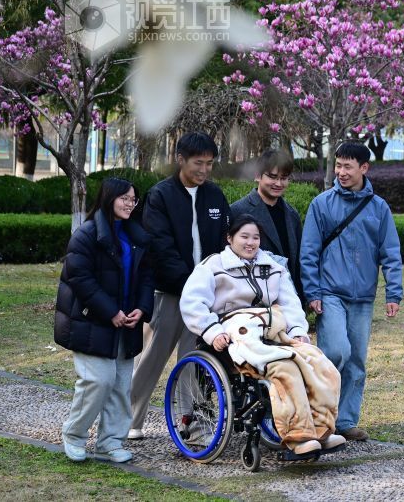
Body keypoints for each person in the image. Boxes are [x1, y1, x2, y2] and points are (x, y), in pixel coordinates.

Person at [180, 215, 345, 456]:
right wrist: (212, 332)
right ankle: (299, 435)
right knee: (284, 368)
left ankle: (321, 429)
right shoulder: (212, 266)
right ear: (230, 238)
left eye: (255, 237)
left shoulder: (273, 266)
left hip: (273, 330)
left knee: (319, 363)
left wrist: (298, 331)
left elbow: (289, 302)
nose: (250, 242)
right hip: (236, 334)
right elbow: (192, 303)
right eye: (244, 237)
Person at [128, 131, 230, 440]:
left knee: (194, 362)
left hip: (204, 299)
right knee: (151, 359)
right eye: (198, 162)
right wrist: (190, 286)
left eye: (210, 164)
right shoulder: (160, 196)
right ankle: (129, 419)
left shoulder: (215, 196)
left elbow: (224, 244)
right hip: (169, 294)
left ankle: (192, 424)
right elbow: (160, 247)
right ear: (180, 159)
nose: (204, 170)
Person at [300, 141, 403, 442]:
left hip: (363, 297)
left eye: (347, 166)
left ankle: (345, 421)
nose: (341, 172)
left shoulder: (379, 208)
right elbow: (309, 252)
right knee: (335, 352)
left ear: (364, 168)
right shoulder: (321, 204)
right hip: (329, 292)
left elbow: (391, 253)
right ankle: (320, 417)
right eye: (338, 165)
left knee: (356, 360)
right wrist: (313, 291)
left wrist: (393, 293)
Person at [55, 178, 155, 463]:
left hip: (127, 324)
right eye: (124, 197)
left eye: (133, 199)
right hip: (92, 322)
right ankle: (74, 435)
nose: (129, 203)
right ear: (108, 198)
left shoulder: (137, 236)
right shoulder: (87, 234)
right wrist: (110, 311)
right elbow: (79, 278)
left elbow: (147, 277)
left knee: (122, 385)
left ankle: (110, 442)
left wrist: (142, 309)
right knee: (98, 381)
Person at [230, 148, 305, 303]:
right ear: (258, 176)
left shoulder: (292, 214)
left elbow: (297, 260)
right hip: (252, 299)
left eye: (284, 178)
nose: (278, 183)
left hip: (289, 297)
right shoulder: (238, 210)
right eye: (272, 177)